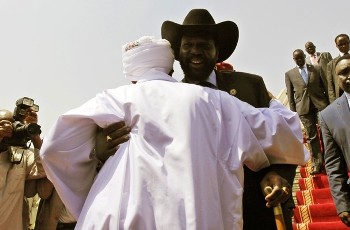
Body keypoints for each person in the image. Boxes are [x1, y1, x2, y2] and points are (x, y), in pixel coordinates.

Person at [40, 36, 308, 230]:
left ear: (131, 75)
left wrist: (88, 184)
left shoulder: (112, 100)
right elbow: (284, 131)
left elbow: (52, 149)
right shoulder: (213, 100)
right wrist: (273, 103)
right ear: (171, 66)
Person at [99, 9, 306, 230]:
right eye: (188, 46)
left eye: (204, 46)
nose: (195, 52)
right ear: (178, 53)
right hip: (193, 216)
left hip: (255, 209)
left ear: (217, 53)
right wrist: (102, 148)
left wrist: (276, 174)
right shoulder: (164, 99)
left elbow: (283, 136)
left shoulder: (250, 86)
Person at [0, 106, 46, 230]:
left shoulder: (21, 157)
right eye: (3, 124)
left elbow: (44, 169)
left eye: (12, 125)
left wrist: (34, 134)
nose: (9, 129)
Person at [285, 49, 329, 175]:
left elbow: (325, 86)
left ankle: (328, 160)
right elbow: (290, 97)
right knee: (312, 136)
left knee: (325, 132)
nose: (299, 60)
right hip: (303, 108)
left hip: (320, 105)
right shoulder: (290, 74)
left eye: (301, 58)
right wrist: (293, 113)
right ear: (294, 60)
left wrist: (329, 104)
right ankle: (317, 163)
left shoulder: (316, 68)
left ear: (305, 56)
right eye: (296, 59)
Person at [319, 54, 350, 227]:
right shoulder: (328, 115)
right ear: (336, 78)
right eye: (344, 73)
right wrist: (342, 204)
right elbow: (333, 164)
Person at [327, 34, 350, 103]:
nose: (344, 46)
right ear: (336, 46)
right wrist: (334, 103)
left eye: (346, 43)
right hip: (341, 98)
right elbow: (330, 87)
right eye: (340, 44)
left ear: (349, 42)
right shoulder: (331, 64)